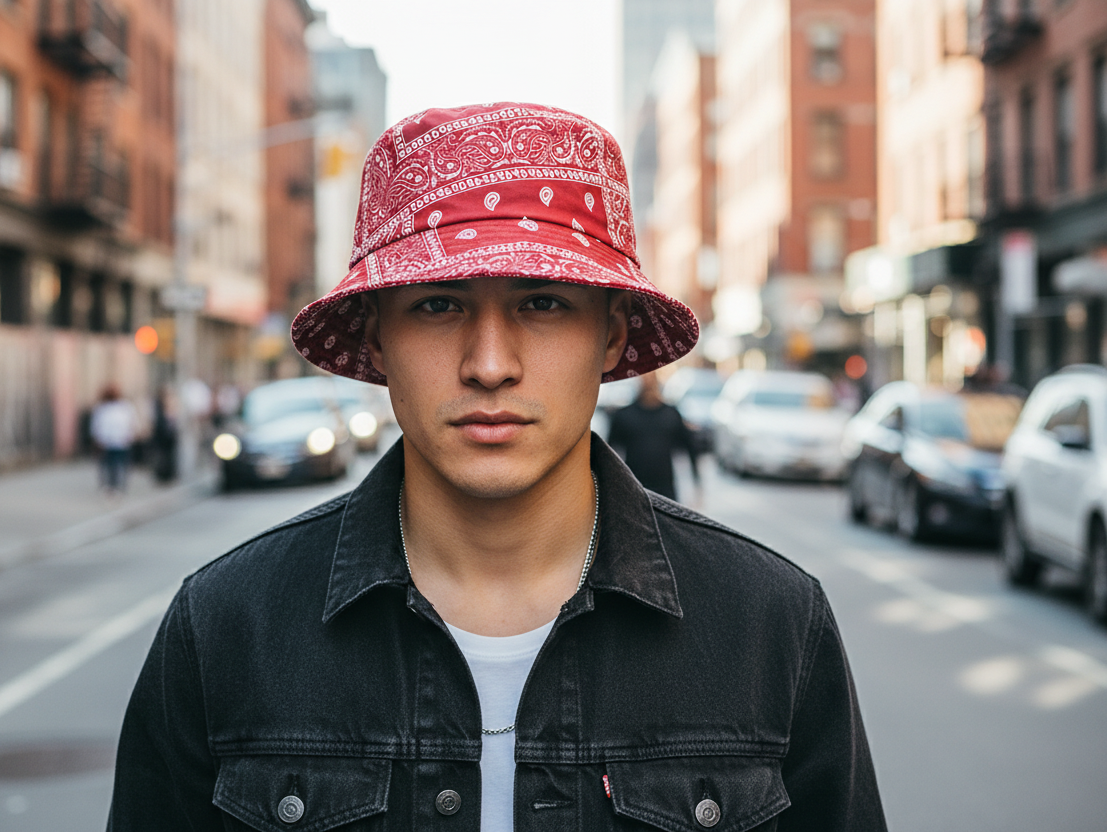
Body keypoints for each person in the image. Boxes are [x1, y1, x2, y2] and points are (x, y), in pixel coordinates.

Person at [109, 103, 885, 831]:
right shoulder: (225, 630)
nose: (489, 364)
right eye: (439, 305)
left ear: (611, 339)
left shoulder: (771, 628)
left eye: (541, 303)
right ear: (377, 342)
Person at [608, 372, 701, 503]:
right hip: (633, 489)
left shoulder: (670, 414)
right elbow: (609, 452)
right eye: (644, 379)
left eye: (652, 379)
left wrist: (697, 485)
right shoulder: (624, 415)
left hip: (666, 491)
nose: (648, 383)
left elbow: (690, 448)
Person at [90, 384, 138, 494]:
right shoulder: (102, 408)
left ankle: (119, 486)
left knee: (121, 466)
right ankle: (110, 486)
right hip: (107, 442)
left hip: (122, 441)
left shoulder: (125, 407)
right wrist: (98, 439)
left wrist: (131, 435)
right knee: (109, 466)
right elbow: (96, 426)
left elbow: (132, 423)